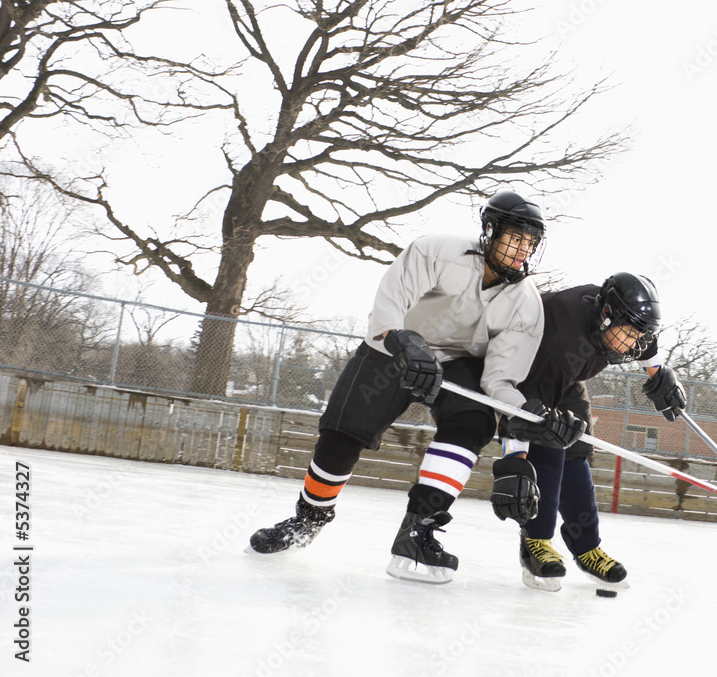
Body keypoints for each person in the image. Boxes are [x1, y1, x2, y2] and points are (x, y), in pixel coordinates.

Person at [247, 190, 586, 584]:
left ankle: (417, 530)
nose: (521, 249)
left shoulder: (526, 305)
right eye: (515, 237)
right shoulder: (436, 251)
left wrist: (530, 415)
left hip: (459, 364)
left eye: (530, 242)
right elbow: (390, 303)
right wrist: (401, 339)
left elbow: (499, 380)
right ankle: (308, 519)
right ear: (490, 231)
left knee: (474, 422)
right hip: (397, 345)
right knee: (343, 432)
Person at [489, 272, 687, 591]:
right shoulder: (565, 338)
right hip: (527, 366)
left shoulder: (623, 317)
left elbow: (644, 336)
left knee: (577, 447)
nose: (633, 346)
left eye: (641, 336)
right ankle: (536, 543)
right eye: (628, 335)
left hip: (567, 375)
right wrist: (515, 459)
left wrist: (658, 373)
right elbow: (519, 415)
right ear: (606, 317)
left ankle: (587, 547)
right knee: (550, 440)